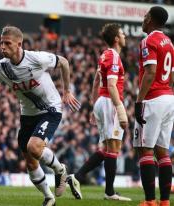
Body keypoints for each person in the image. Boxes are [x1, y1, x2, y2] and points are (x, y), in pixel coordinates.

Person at [0, 25, 80, 206]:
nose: (2, 47)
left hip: (50, 109)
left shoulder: (36, 58)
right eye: (1, 43)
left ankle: (60, 170)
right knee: (30, 162)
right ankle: (48, 197)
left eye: (7, 43)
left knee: (34, 148)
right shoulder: (1, 67)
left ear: (19, 44)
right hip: (27, 115)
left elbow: (64, 62)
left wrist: (67, 91)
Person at [67, 23, 131, 201]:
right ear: (116, 39)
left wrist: (94, 107)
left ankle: (77, 177)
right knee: (114, 147)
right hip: (111, 102)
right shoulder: (114, 57)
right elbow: (110, 85)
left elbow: (96, 82)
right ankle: (109, 192)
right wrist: (120, 108)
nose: (125, 36)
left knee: (106, 147)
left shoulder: (104, 55)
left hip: (102, 102)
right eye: (122, 34)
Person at [133, 6, 174, 206]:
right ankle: (165, 202)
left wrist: (139, 101)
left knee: (144, 150)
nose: (143, 18)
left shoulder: (148, 41)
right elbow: (172, 75)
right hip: (168, 97)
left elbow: (150, 72)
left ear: (150, 19)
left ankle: (150, 201)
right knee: (162, 151)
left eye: (145, 16)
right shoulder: (170, 43)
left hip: (153, 99)